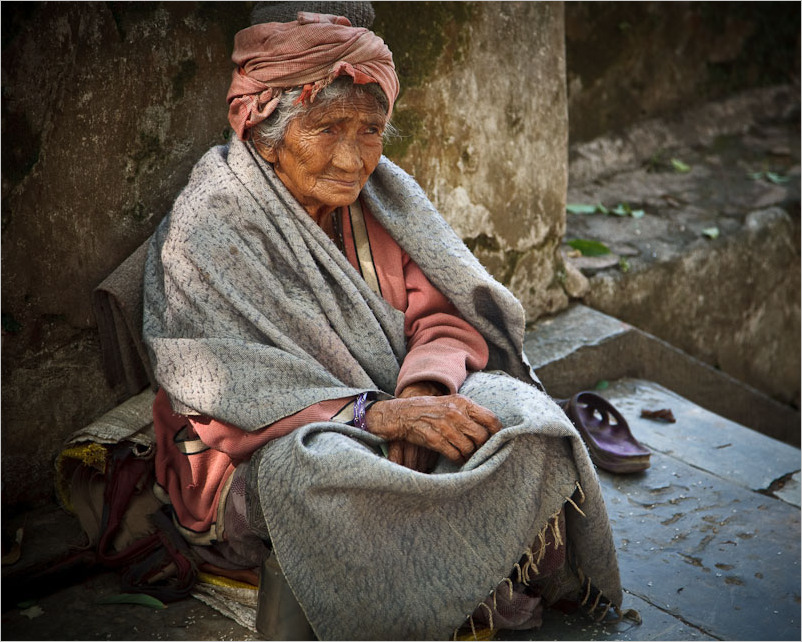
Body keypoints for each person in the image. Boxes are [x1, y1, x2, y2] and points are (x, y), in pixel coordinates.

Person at [142, 3, 626, 639]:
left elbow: (446, 319)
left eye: (368, 130)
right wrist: (374, 415)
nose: (352, 158)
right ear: (264, 127)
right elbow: (219, 385)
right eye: (327, 128)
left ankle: (446, 581)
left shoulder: (384, 202)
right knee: (315, 474)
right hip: (273, 444)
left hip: (393, 399)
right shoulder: (211, 222)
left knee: (526, 416)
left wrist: (423, 390)